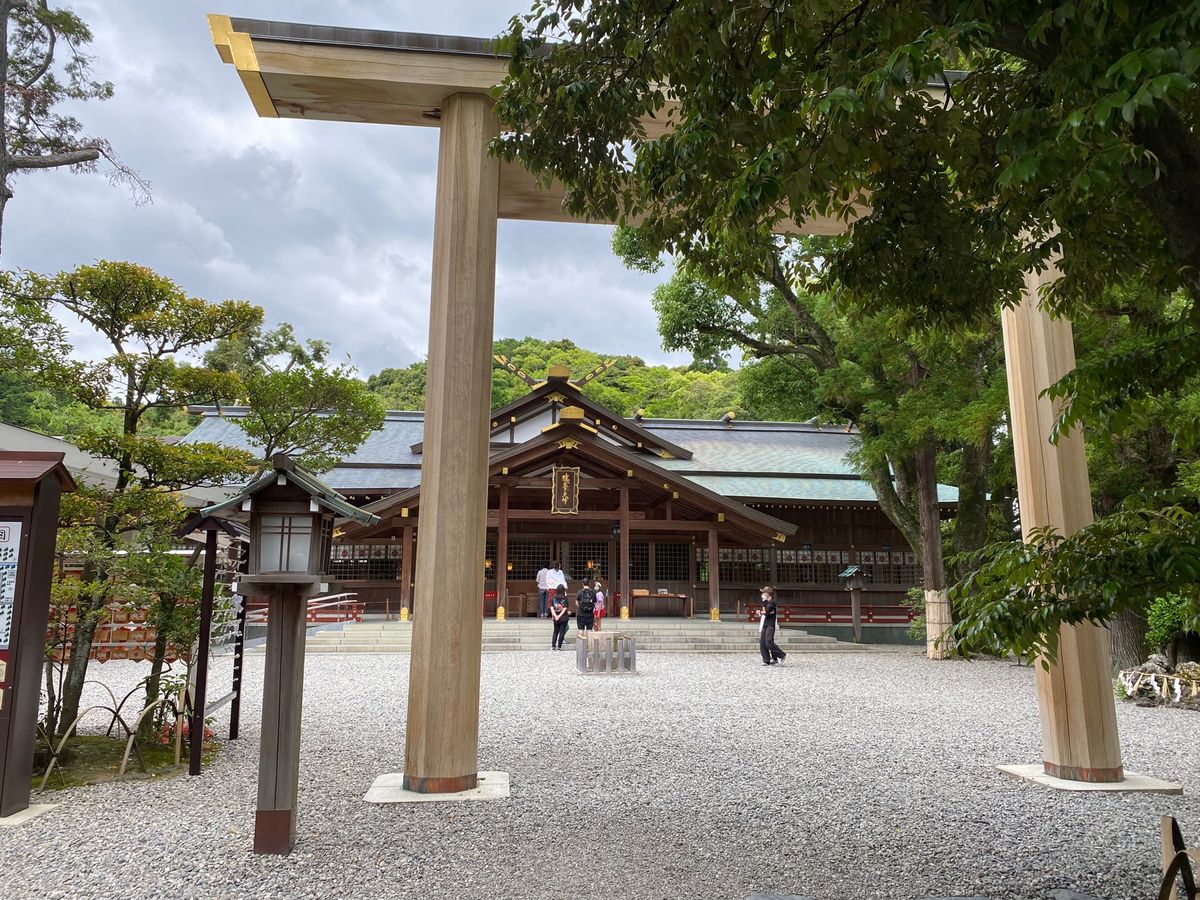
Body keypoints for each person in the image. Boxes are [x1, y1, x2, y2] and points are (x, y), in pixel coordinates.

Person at [759, 585, 786, 666]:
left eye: (764, 593)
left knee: (769, 642)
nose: (762, 594)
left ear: (767, 593)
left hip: (770, 624)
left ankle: (782, 655)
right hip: (765, 624)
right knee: (762, 642)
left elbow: (766, 613)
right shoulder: (766, 602)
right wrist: (764, 603)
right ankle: (767, 659)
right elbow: (764, 610)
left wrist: (760, 612)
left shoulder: (772, 602)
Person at [550, 586, 569, 650]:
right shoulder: (565, 598)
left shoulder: (553, 598)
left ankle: (553, 646)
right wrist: (559, 616)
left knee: (555, 632)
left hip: (556, 618)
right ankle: (559, 647)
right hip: (564, 617)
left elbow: (552, 608)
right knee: (562, 632)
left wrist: (555, 616)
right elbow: (565, 608)